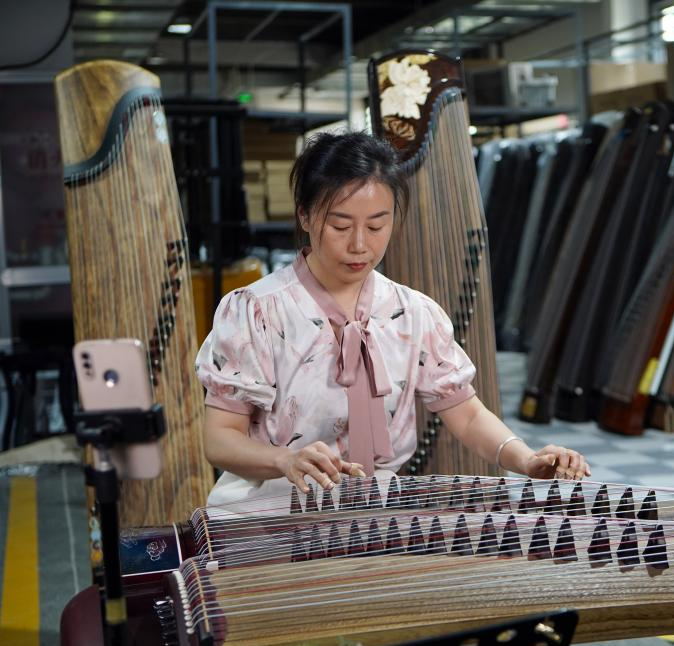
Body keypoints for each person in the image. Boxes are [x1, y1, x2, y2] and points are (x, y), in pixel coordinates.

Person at [196, 131, 589, 506]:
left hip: (371, 516)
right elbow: (220, 439)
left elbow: (467, 416)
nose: (359, 244)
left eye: (376, 224)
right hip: (265, 515)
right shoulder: (257, 310)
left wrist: (525, 460)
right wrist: (282, 460)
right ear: (304, 216)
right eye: (340, 225)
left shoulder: (413, 313)